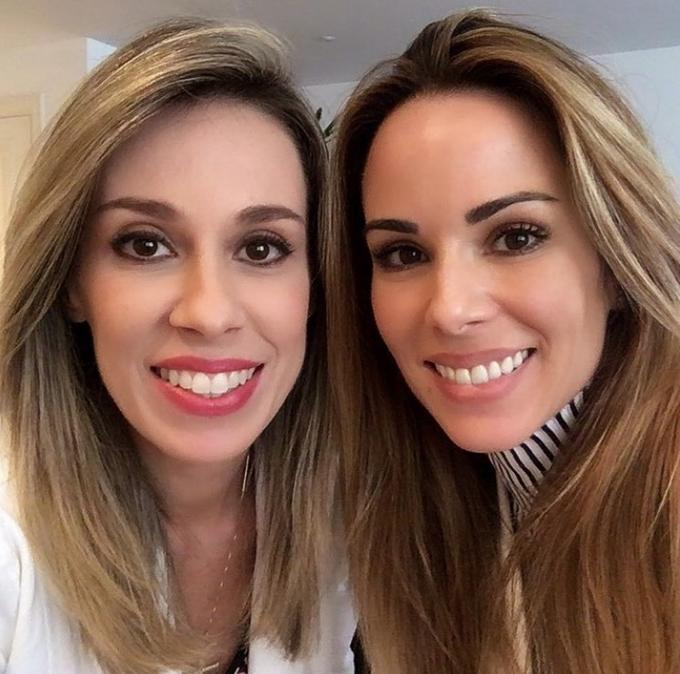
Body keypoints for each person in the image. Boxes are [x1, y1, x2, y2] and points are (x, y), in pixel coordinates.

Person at [0, 18, 355, 674]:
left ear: (316, 285)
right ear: (72, 282)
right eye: (146, 244)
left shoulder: (354, 519)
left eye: (261, 248)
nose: (209, 313)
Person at [330, 9, 680, 674]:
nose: (451, 309)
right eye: (403, 253)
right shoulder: (416, 511)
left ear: (616, 261)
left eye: (516, 237)